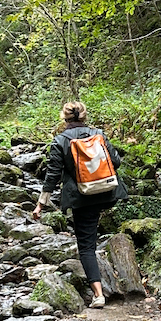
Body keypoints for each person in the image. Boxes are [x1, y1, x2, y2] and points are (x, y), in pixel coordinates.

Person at [32, 100, 126, 309]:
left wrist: (41, 204)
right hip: (106, 192)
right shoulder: (99, 134)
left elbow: (52, 176)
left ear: (64, 118)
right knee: (93, 234)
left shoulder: (60, 141)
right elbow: (116, 162)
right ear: (84, 116)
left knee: (86, 247)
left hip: (82, 198)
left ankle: (98, 295)